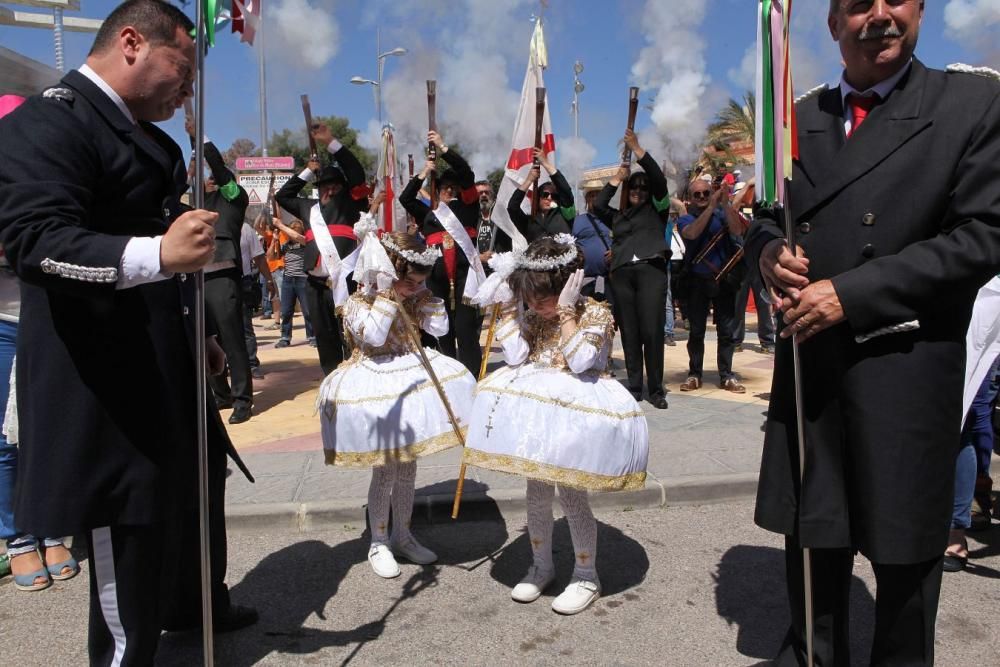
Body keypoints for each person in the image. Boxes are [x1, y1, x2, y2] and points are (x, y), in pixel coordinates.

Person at [0, 1, 257, 662]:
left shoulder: (153, 142)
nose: (189, 86)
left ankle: (188, 608)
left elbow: (174, 263)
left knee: (181, 513)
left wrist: (194, 328)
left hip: (163, 372)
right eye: (184, 64)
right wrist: (159, 254)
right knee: (126, 567)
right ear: (133, 42)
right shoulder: (51, 122)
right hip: (108, 392)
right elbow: (38, 243)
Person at [745, 1, 1000, 664]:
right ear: (834, 23)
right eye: (859, 4)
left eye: (897, 0)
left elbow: (983, 235)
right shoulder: (794, 119)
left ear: (919, 11)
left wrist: (851, 295)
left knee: (906, 577)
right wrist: (769, 252)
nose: (879, 15)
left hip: (906, 373)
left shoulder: (971, 103)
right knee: (813, 561)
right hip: (813, 378)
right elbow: (768, 218)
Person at [463, 235, 649, 615]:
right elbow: (515, 356)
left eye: (541, 299)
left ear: (568, 283)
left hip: (578, 415)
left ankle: (585, 575)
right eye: (530, 299)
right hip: (539, 416)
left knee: (572, 496)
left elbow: (581, 360)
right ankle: (542, 566)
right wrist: (514, 310)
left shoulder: (595, 313)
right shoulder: (531, 313)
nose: (537, 307)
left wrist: (565, 313)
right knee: (536, 492)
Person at [316, 220, 476, 579]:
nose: (416, 287)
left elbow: (440, 330)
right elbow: (372, 337)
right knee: (385, 469)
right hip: (376, 384)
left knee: (408, 467)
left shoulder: (417, 296)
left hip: (412, 377)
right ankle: (379, 540)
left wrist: (425, 297)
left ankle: (404, 534)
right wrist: (389, 297)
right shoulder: (359, 302)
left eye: (421, 280)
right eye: (411, 280)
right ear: (390, 271)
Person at [0, 93, 80, 593]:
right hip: (3, 321)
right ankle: (18, 537)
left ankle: (52, 528)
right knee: (4, 441)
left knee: (45, 431)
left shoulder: (59, 181)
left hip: (47, 317)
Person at [275, 123, 367, 375]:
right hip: (315, 285)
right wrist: (308, 170)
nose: (329, 189)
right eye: (324, 185)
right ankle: (332, 382)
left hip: (346, 281)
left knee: (350, 335)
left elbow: (356, 172)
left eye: (335, 185)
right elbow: (283, 196)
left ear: (342, 188)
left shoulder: (352, 203)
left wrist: (331, 143)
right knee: (325, 339)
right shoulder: (309, 208)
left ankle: (355, 380)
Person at [188, 119, 263, 422]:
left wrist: (201, 139)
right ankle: (221, 395)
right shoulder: (196, 202)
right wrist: (192, 160)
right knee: (206, 340)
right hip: (195, 279)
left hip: (222, 277)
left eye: (214, 178)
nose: (209, 180)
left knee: (232, 342)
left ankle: (243, 400)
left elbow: (218, 168)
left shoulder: (233, 198)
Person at [593, 128, 670, 409]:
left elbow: (659, 181)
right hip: (623, 274)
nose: (637, 191)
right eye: (633, 187)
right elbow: (599, 205)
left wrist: (637, 150)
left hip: (651, 270)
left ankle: (656, 389)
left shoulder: (657, 209)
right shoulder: (619, 216)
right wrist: (616, 179)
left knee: (652, 330)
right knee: (630, 330)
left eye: (642, 188)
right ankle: (635, 386)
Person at [399, 130, 482, 375]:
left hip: (466, 279)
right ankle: (449, 374)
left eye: (453, 187)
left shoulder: (468, 206)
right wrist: (425, 171)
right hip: (436, 279)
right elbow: (406, 198)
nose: (449, 191)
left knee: (465, 331)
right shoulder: (429, 214)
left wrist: (442, 147)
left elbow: (466, 174)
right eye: (445, 187)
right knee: (442, 330)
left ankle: (471, 376)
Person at [677, 177, 748, 393]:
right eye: (696, 195)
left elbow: (737, 231)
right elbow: (691, 233)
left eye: (706, 194)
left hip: (723, 280)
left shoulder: (722, 214)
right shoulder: (685, 219)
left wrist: (725, 204)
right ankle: (694, 374)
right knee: (696, 331)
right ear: (689, 199)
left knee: (726, 332)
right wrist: (710, 208)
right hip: (696, 282)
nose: (701, 198)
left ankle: (726, 375)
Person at [507, 148, 576, 242]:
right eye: (545, 194)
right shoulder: (529, 222)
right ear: (538, 198)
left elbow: (566, 191)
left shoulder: (566, 215)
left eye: (554, 196)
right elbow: (512, 207)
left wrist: (545, 163)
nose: (549, 197)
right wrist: (528, 180)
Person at [270, 217, 315, 348]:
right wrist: (274, 239)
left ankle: (312, 336)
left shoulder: (305, 243)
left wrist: (281, 225)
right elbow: (272, 256)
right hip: (288, 280)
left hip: (303, 279)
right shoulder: (286, 246)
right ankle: (285, 337)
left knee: (307, 310)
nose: (291, 234)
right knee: (286, 311)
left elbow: (299, 237)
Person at [571, 189, 613, 304]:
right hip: (584, 280)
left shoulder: (612, 219)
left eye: (597, 196)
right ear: (586, 200)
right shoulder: (577, 221)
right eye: (591, 196)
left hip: (608, 278)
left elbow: (625, 240)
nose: (594, 199)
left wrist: (616, 251)